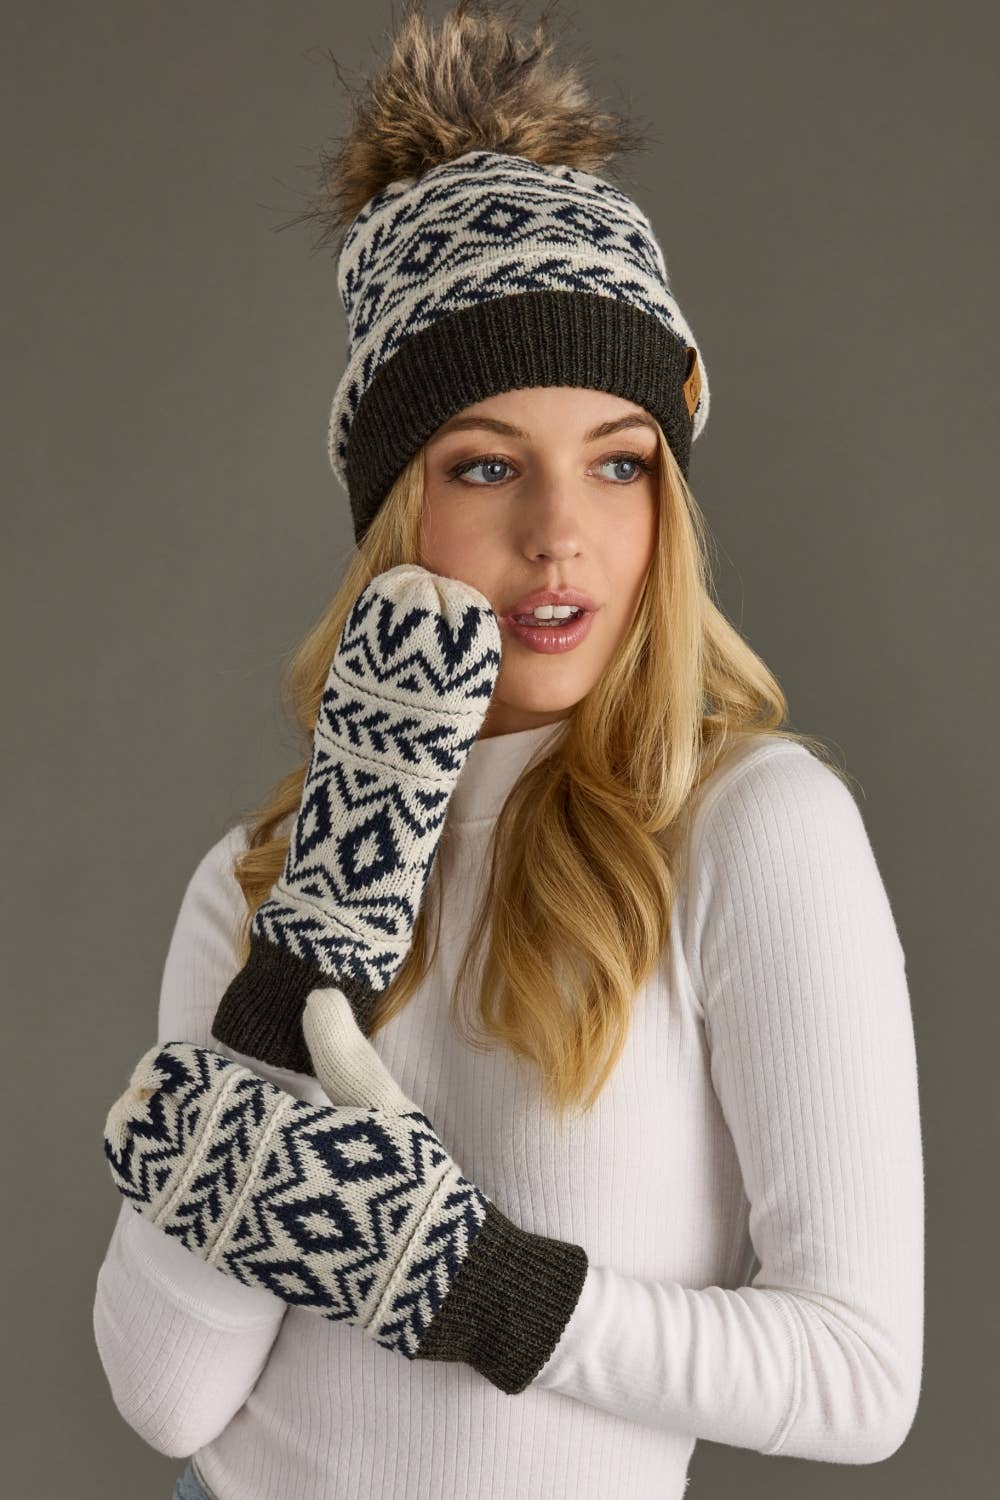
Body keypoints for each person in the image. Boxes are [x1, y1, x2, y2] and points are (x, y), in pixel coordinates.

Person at [92, 4, 924, 1497]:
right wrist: (310, 954)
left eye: (617, 461)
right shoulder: (264, 875)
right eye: (488, 465)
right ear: (398, 509)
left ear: (666, 499)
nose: (561, 535)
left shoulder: (745, 828)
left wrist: (486, 1289)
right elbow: (166, 1400)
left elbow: (859, 1374)